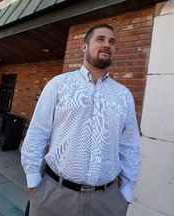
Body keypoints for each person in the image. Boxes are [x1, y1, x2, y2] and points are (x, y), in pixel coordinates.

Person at [21, 23, 142, 216]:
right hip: (54, 196)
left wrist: (125, 194)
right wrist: (33, 183)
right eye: (100, 39)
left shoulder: (123, 95)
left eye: (111, 41)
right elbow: (37, 134)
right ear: (84, 47)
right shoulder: (59, 85)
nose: (107, 45)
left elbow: (130, 147)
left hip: (106, 201)